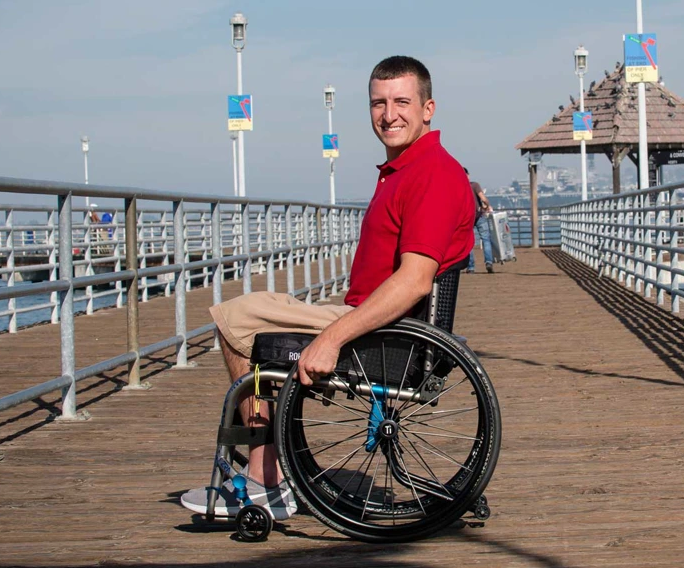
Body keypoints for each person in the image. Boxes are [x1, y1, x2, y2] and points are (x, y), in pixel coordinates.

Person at [182, 55, 475, 520]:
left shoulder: (431, 174)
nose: (389, 114)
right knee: (246, 311)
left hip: (387, 337)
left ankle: (265, 479)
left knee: (236, 317)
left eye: (402, 101)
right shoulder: (410, 169)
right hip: (378, 322)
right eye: (379, 103)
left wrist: (332, 338)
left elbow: (415, 279)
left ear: (428, 108)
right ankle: (271, 468)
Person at [464, 172, 494, 274]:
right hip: (479, 215)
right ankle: (489, 262)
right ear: (468, 175)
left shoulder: (459, 187)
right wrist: (487, 205)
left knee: (469, 243)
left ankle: (471, 267)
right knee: (486, 239)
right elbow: (483, 199)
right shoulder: (475, 185)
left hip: (467, 218)